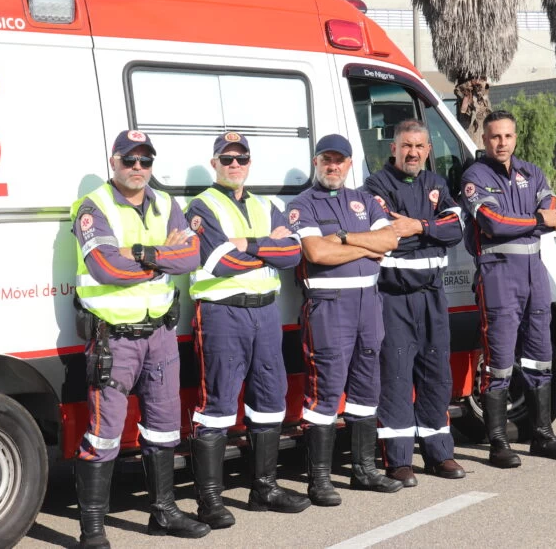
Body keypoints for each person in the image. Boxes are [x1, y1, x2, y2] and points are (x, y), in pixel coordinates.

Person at [71, 130, 208, 548]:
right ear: (113, 161)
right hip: (115, 340)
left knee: (164, 429)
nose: (137, 167)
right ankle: (92, 530)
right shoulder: (93, 205)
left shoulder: (166, 203)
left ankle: (163, 512)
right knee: (104, 435)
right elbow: (105, 268)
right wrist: (161, 254)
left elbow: (192, 256)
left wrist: (140, 253)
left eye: (145, 160)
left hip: (161, 335)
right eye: (129, 159)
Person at [185, 132, 311, 528]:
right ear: (215, 164)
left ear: (250, 162)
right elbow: (220, 263)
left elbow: (292, 253)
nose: (234, 164)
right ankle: (209, 501)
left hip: (265, 314)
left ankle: (264, 489)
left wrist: (246, 244)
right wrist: (266, 247)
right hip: (223, 314)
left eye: (241, 158)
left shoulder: (265, 205)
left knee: (270, 400)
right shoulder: (201, 206)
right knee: (217, 405)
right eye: (227, 159)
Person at [287, 133, 403, 507]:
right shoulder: (302, 205)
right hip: (328, 305)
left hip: (368, 305)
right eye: (326, 159)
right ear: (316, 162)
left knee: (367, 388)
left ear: (350, 164)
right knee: (325, 390)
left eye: (339, 160)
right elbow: (317, 253)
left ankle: (363, 470)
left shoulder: (364, 200)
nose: (333, 166)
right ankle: (319, 480)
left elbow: (390, 241)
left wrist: (343, 238)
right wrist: (365, 246)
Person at [460, 110, 556, 468]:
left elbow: (552, 209)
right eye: (495, 136)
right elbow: (493, 224)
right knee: (498, 361)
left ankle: (542, 435)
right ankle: (498, 443)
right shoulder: (475, 176)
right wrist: (536, 220)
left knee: (541, 354)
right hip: (498, 277)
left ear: (515, 138)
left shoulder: (531, 172)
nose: (502, 143)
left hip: (535, 275)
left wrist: (532, 220)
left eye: (508, 136)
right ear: (484, 139)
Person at [363, 119, 466, 486]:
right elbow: (387, 236)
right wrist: (429, 230)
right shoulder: (376, 186)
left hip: (432, 295)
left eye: (420, 146)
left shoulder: (436, 183)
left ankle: (440, 453)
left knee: (436, 374)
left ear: (428, 150)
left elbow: (456, 229)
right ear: (394, 148)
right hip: (394, 297)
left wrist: (420, 227)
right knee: (396, 376)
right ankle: (399, 460)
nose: (413, 153)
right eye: (406, 145)